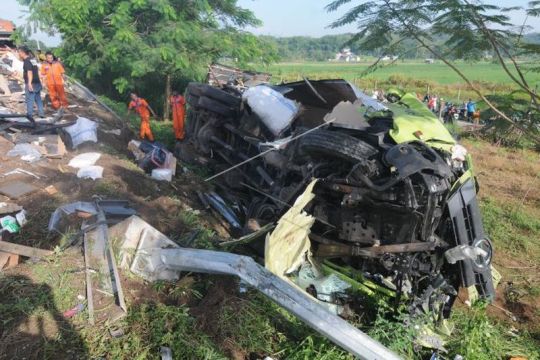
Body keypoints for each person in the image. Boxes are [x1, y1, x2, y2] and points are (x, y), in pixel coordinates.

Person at [18, 46, 44, 121]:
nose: (19, 54)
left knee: (30, 99)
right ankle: (41, 113)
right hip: (37, 82)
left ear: (22, 52)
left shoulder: (26, 61)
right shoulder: (33, 60)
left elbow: (30, 72)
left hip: (31, 83)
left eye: (19, 52)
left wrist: (29, 83)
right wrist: (41, 80)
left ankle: (29, 115)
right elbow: (37, 70)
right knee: (38, 98)